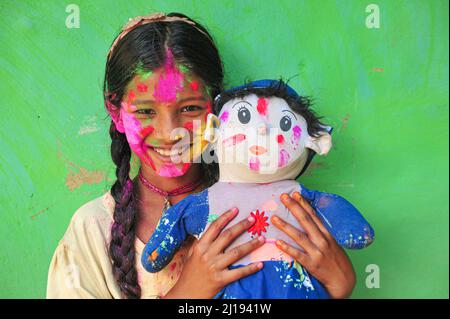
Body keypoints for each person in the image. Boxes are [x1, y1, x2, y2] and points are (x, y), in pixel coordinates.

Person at [46, 12, 356, 299]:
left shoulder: (275, 206)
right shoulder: (93, 229)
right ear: (115, 111)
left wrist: (339, 285)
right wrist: (188, 291)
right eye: (145, 111)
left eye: (191, 108)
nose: (170, 132)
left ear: (218, 108)